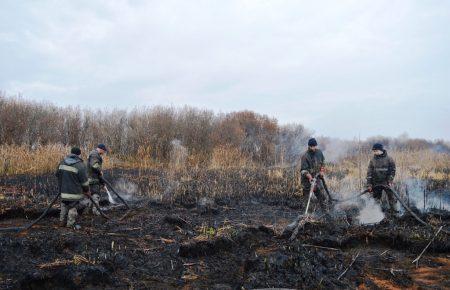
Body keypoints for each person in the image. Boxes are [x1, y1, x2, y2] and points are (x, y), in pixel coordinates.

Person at [56, 147, 91, 229]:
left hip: (63, 192)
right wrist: (87, 191)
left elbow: (57, 174)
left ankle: (62, 222)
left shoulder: (62, 162)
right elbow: (85, 182)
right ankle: (70, 224)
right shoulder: (80, 165)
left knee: (64, 204)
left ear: (71, 153)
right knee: (74, 206)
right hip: (75, 193)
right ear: (79, 155)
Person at [366, 143, 397, 218]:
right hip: (376, 183)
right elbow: (369, 173)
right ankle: (375, 214)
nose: (375, 152)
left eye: (376, 151)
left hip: (386, 183)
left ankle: (394, 214)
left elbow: (393, 170)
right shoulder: (372, 160)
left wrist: (390, 181)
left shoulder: (389, 159)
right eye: (374, 151)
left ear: (381, 150)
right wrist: (369, 184)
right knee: (375, 199)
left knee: (391, 197)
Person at [300, 138, 328, 211]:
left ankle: (325, 213)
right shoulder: (305, 156)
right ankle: (306, 216)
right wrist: (309, 176)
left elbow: (323, 163)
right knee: (307, 200)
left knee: (322, 197)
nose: (314, 148)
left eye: (315, 146)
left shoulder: (319, 153)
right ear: (309, 146)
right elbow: (303, 170)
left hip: (317, 179)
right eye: (312, 146)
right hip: (307, 181)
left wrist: (322, 171)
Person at [87, 143, 108, 215]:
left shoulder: (95, 154)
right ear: (101, 149)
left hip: (93, 178)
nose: (104, 153)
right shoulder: (94, 154)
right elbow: (94, 165)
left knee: (92, 195)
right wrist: (100, 170)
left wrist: (102, 183)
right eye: (104, 151)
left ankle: (89, 210)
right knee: (96, 194)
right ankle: (96, 211)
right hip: (93, 179)